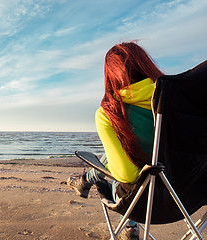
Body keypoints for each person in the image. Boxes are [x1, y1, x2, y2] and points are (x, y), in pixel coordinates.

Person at [67, 41, 163, 240]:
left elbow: (126, 176)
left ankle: (88, 181)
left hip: (148, 201)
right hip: (191, 194)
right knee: (125, 152)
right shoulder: (179, 99)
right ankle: (84, 182)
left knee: (121, 163)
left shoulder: (109, 114)